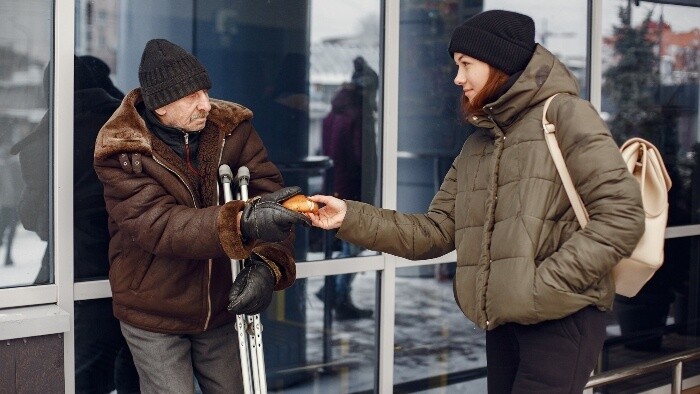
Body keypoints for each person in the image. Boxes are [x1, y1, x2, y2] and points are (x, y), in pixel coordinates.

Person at [307, 10, 645, 393]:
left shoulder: (566, 115)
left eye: (466, 64)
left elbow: (622, 216)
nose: (457, 77)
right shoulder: (480, 143)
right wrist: (349, 217)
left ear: (500, 63)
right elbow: (434, 231)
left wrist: (541, 286)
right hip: (503, 319)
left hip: (560, 318)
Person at [92, 38, 310, 393]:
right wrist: (241, 222)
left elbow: (271, 203)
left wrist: (269, 266)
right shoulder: (122, 150)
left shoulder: (233, 129)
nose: (206, 104)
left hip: (223, 305)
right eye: (191, 96)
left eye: (205, 92)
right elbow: (159, 226)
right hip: (155, 311)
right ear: (160, 106)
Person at [316, 82, 373, 320]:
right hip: (352, 187)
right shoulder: (356, 117)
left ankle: (334, 291)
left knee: (345, 244)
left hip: (333, 185)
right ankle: (335, 293)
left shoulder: (330, 116)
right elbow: (362, 157)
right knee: (354, 244)